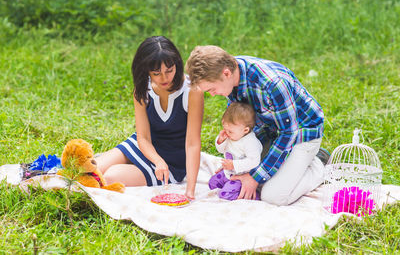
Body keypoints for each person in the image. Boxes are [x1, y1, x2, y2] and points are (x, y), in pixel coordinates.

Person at [185, 45, 329, 206]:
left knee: (272, 196)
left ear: (226, 73)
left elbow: (289, 134)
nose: (211, 94)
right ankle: (296, 165)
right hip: (271, 130)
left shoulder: (272, 84)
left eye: (211, 89)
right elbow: (245, 128)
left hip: (301, 133)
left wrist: (255, 178)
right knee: (249, 173)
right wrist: (235, 163)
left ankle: (318, 164)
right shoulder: (232, 77)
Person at [96, 36, 204, 200]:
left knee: (111, 177)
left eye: (169, 70)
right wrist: (156, 160)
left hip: (172, 160)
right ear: (145, 70)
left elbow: (192, 143)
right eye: (156, 73)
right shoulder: (142, 90)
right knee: (93, 169)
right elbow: (143, 137)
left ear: (177, 65)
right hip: (145, 147)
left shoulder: (192, 91)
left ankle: (134, 169)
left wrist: (190, 189)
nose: (164, 78)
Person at [208, 102, 263, 200]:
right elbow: (221, 150)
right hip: (229, 172)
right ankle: (229, 186)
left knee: (224, 195)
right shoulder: (233, 135)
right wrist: (220, 141)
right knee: (213, 183)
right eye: (225, 129)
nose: (227, 133)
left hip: (243, 176)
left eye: (230, 131)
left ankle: (253, 196)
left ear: (245, 130)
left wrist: (234, 165)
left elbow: (254, 161)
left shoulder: (250, 142)